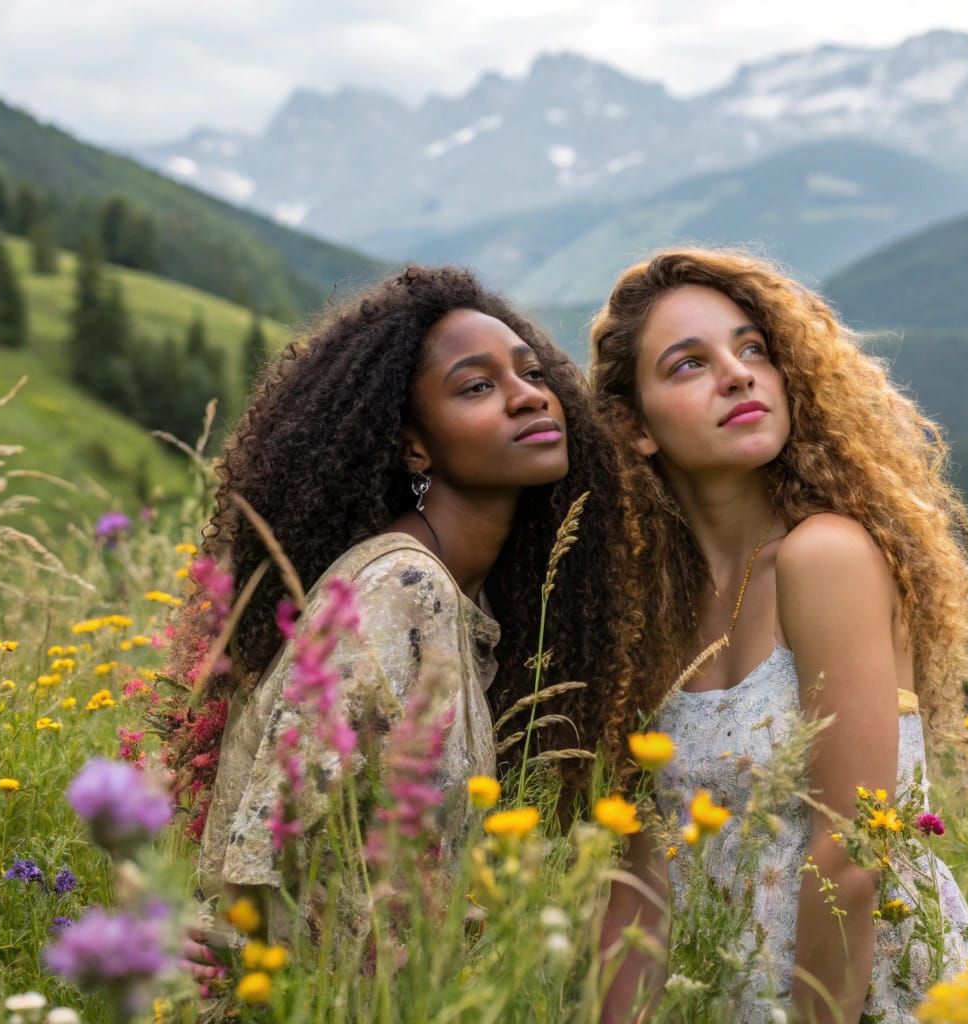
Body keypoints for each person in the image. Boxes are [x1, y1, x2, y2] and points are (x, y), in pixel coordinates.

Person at [167, 265, 642, 970]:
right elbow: (283, 857)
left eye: (532, 373)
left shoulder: (462, 594)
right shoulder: (400, 588)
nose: (528, 397)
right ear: (414, 445)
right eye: (476, 386)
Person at [591, 249, 968, 1023]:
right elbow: (637, 884)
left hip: (861, 993)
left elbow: (850, 853)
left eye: (753, 349)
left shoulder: (825, 555)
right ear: (634, 426)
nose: (737, 376)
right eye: (688, 364)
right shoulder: (652, 608)